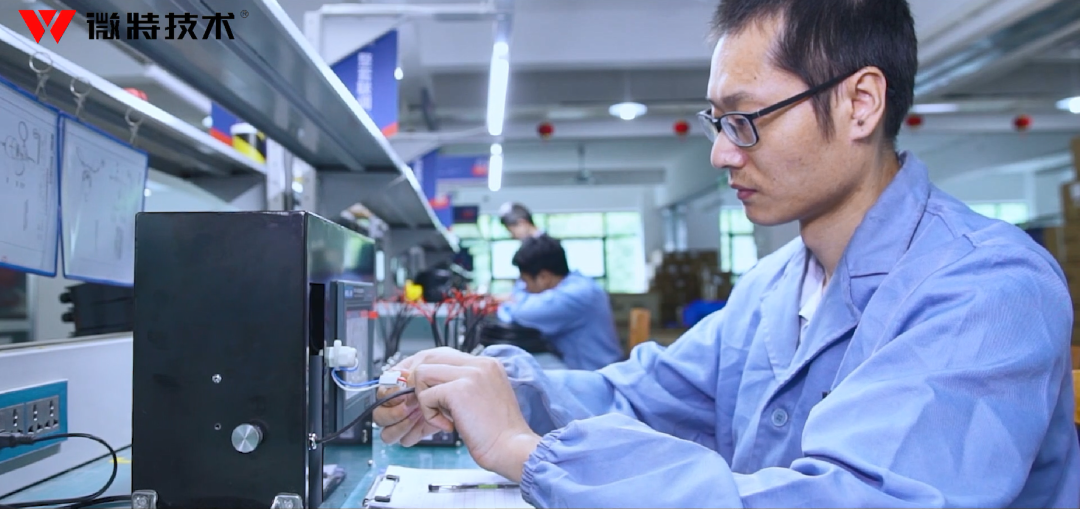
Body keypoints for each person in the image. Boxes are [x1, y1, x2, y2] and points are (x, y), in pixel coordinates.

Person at [374, 0, 1080, 506]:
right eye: (717, 122)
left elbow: (850, 495)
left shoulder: (988, 288)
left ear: (861, 103)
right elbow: (640, 398)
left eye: (745, 120)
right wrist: (486, 384)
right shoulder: (774, 285)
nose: (720, 153)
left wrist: (527, 451)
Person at [495, 235, 622, 370]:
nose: (525, 288)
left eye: (526, 281)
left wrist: (509, 304)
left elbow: (522, 313)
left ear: (544, 277)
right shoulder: (574, 285)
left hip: (595, 374)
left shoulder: (576, 294)